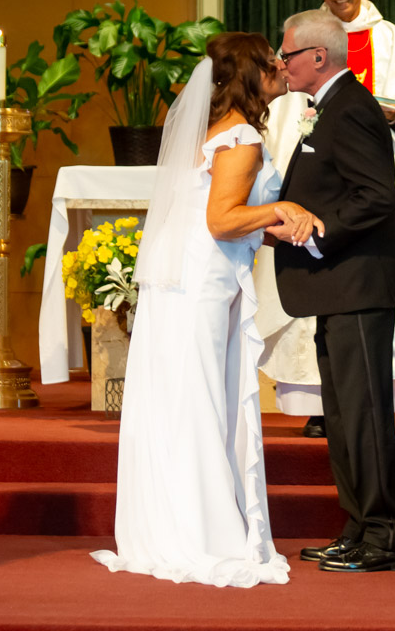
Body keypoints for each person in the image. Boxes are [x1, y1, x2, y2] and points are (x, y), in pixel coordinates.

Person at [91, 32, 317, 588]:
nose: (280, 72)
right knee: (201, 400)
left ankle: (167, 525)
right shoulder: (241, 137)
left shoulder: (212, 133)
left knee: (180, 397)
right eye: (271, 65)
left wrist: (275, 230)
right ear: (250, 76)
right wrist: (281, 209)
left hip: (185, 283)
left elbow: (212, 216)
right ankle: (203, 533)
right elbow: (222, 220)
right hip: (203, 287)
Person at [258, 0, 395, 438]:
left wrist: (391, 111)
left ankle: (369, 400)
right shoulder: (305, 38)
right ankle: (321, 401)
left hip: (371, 181)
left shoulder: (392, 41)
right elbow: (282, 110)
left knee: (359, 289)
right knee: (313, 296)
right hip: (315, 180)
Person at [271, 8, 395, 573]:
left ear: (317, 57)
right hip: (338, 286)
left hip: (358, 284)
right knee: (343, 414)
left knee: (364, 415)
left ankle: (387, 536)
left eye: (287, 54)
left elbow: (378, 195)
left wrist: (318, 226)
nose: (281, 64)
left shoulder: (351, 108)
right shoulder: (326, 107)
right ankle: (358, 528)